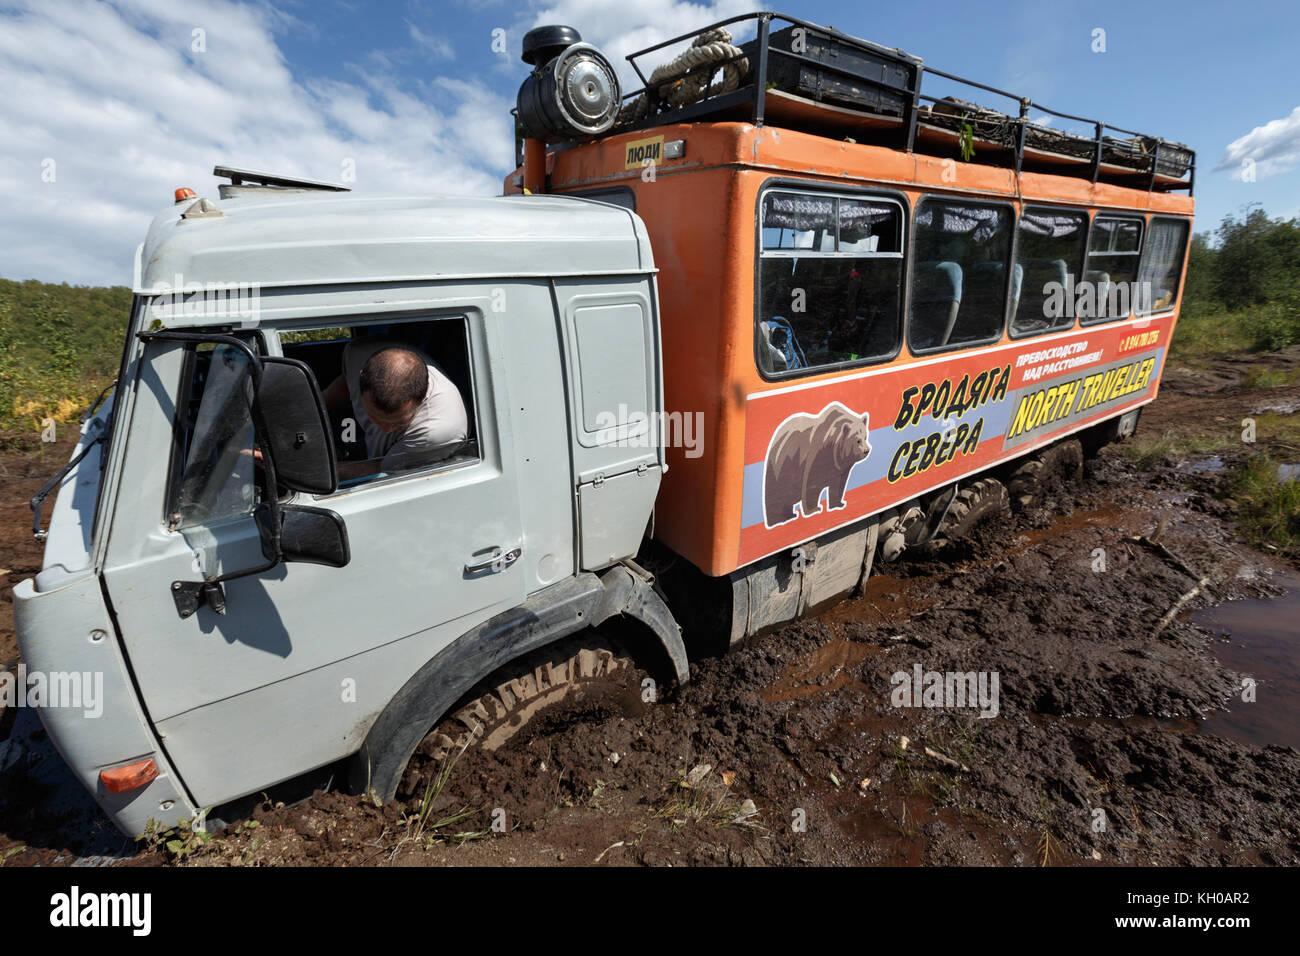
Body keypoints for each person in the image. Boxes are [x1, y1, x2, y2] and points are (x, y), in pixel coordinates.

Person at [321, 339, 468, 480]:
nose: (386, 429)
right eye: (374, 417)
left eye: (398, 422)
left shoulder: (436, 431)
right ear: (362, 377)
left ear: (424, 393)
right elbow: (348, 383)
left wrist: (318, 471)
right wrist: (312, 407)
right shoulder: (357, 353)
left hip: (410, 452)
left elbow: (381, 470)